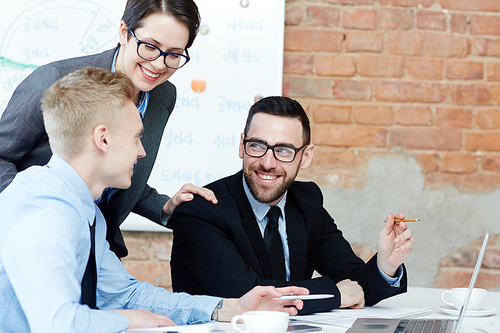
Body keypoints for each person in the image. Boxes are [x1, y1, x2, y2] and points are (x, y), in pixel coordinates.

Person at [0, 68, 307, 333]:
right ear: (103, 139)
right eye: (136, 137)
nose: (141, 152)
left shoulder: (80, 208)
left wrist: (228, 308)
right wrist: (128, 320)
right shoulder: (44, 208)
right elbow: (57, 324)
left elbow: (125, 294)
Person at [0, 0, 215, 258]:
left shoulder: (163, 95)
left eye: (174, 54)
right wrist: (37, 216)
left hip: (99, 249)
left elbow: (115, 169)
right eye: (150, 47)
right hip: (33, 241)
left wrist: (165, 207)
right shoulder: (57, 79)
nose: (159, 65)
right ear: (124, 32)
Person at [169, 96, 416, 314]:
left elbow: (356, 287)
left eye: (284, 151)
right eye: (257, 146)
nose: (267, 162)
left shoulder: (307, 202)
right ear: (241, 145)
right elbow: (250, 297)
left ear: (305, 157)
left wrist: (387, 264)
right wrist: (335, 294)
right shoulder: (199, 211)